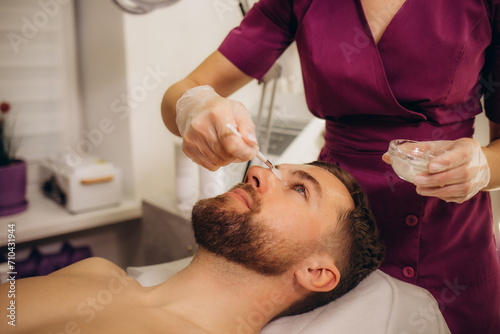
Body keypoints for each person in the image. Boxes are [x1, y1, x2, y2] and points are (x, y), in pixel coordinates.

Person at [160, 1, 500, 332]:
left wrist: (482, 166)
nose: (254, 174)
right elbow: (181, 92)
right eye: (297, 186)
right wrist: (194, 107)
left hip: (450, 239)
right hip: (327, 239)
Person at [0, 162, 384, 334]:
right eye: (273, 169)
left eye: (299, 189)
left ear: (316, 272)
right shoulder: (96, 273)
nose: (257, 172)